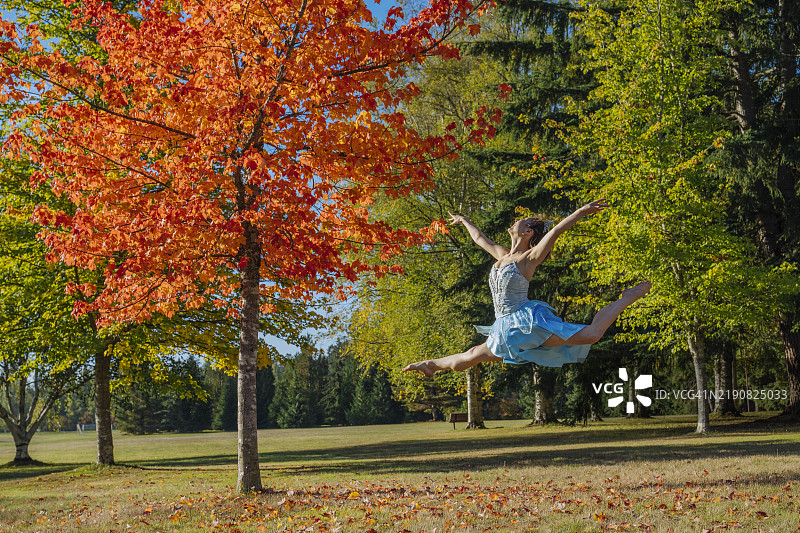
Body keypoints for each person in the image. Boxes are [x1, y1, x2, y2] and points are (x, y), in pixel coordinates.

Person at [402, 199, 651, 377]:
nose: (514, 222)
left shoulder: (529, 258)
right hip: (506, 326)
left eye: (519, 222)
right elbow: (480, 239)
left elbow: (556, 230)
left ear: (528, 231)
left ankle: (627, 297)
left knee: (593, 334)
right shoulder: (502, 256)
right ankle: (430, 364)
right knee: (470, 356)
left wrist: (580, 212)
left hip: (523, 325)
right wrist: (464, 220)